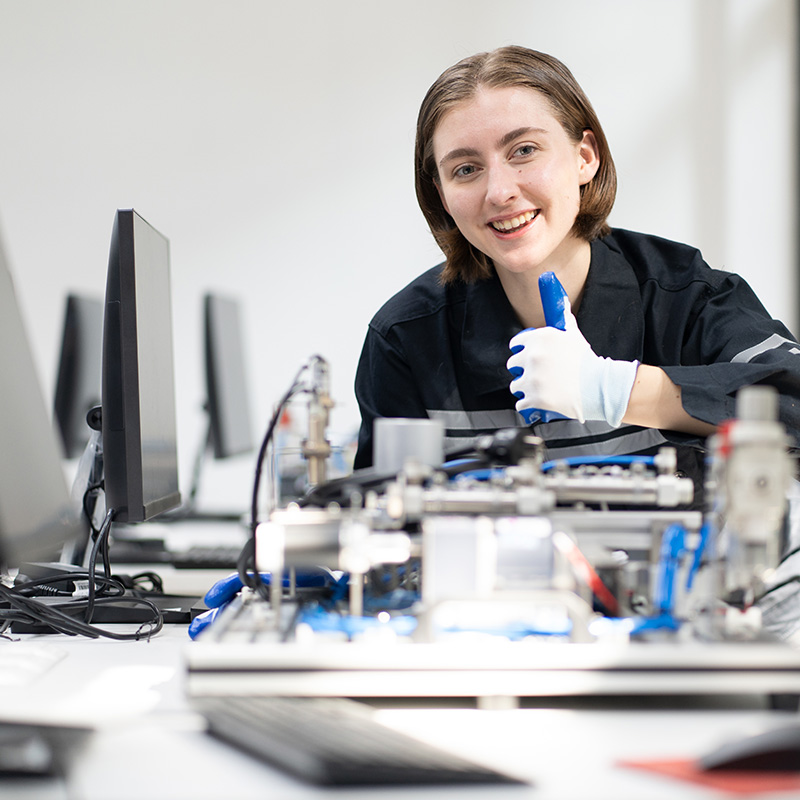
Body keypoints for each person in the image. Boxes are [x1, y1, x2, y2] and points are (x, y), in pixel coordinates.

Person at [353, 45, 800, 510]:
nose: (500, 191)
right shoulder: (406, 339)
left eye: (524, 150)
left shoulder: (684, 298)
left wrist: (612, 389)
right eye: (466, 169)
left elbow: (792, 402)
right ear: (442, 195)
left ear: (585, 156)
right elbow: (379, 531)